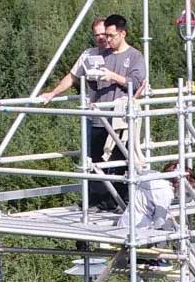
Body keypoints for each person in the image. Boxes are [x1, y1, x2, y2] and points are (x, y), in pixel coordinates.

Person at [38, 14, 147, 218]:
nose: (106, 39)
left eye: (110, 35)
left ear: (122, 34)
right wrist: (52, 93)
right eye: (103, 35)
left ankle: (123, 201)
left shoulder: (135, 56)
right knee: (96, 160)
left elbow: (136, 82)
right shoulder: (95, 55)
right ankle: (98, 201)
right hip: (97, 117)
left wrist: (113, 76)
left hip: (121, 120)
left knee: (121, 160)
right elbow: (73, 77)